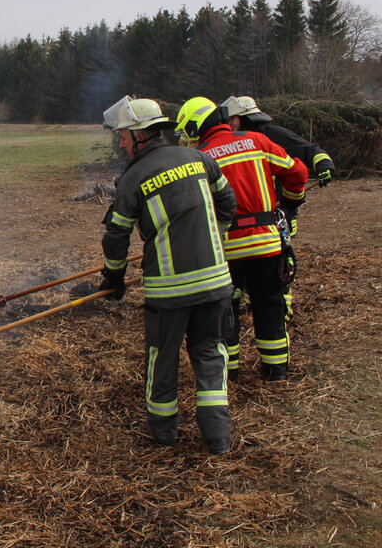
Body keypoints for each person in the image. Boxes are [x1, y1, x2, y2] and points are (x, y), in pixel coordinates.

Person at [99, 96, 236, 455]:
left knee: (163, 356)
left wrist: (113, 279)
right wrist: (215, 241)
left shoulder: (132, 179)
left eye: (125, 136)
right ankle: (218, 438)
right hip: (216, 283)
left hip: (169, 290)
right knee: (210, 351)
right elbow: (228, 203)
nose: (122, 142)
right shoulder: (199, 158)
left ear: (142, 135)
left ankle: (163, 434)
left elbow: (116, 238)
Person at [176, 97, 308, 383]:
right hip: (266, 245)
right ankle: (276, 372)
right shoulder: (257, 141)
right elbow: (297, 173)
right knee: (269, 304)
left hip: (226, 249)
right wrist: (290, 204)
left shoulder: (200, 156)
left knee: (226, 311)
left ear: (196, 126)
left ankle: (229, 373)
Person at [220, 95, 334, 321]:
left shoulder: (273, 136)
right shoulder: (233, 141)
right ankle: (257, 302)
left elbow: (309, 150)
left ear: (244, 118)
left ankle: (281, 308)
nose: (229, 124)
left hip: (278, 213)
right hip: (248, 218)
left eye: (232, 119)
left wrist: (324, 164)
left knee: (279, 262)